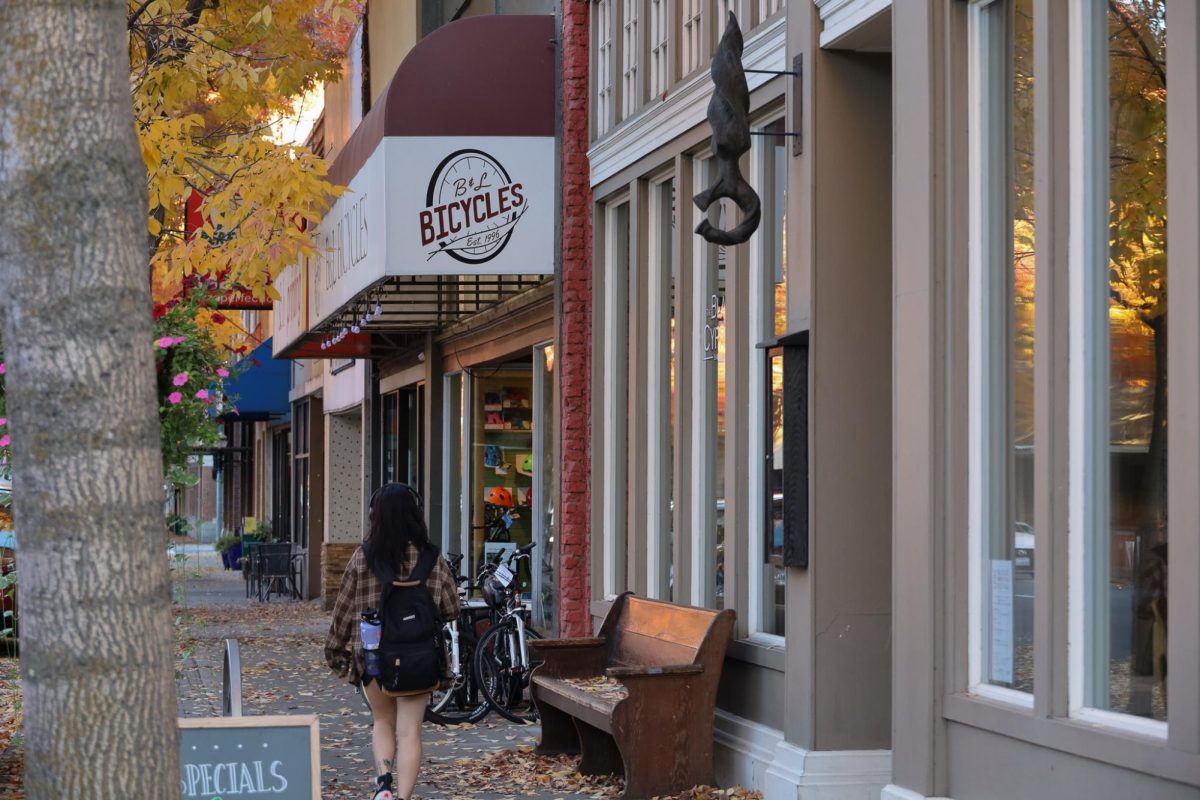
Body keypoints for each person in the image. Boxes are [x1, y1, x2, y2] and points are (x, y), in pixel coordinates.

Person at [325, 483, 460, 800]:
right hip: (419, 659)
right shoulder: (432, 559)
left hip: (374, 658)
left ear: (376, 516)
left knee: (382, 721)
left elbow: (342, 613)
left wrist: (340, 658)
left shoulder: (363, 557)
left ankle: (383, 784)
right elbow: (452, 608)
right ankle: (403, 797)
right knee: (410, 730)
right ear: (416, 514)